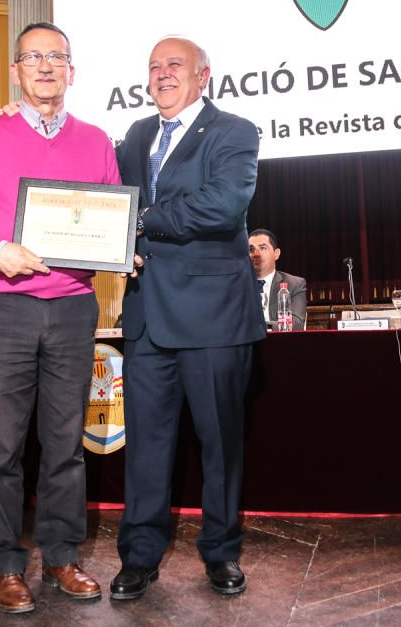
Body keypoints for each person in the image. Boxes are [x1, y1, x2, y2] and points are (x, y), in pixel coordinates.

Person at [0, 22, 120, 614]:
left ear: (72, 70)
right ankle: (8, 565)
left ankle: (62, 558)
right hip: (4, 308)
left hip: (71, 310)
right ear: (15, 70)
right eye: (32, 57)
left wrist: (124, 245)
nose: (45, 67)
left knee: (65, 446)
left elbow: (113, 216)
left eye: (56, 57)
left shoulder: (96, 140)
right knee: (3, 449)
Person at [109, 36, 265, 601]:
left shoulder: (234, 131)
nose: (162, 74)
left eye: (174, 65)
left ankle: (221, 553)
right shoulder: (134, 137)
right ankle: (139, 557)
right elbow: (108, 202)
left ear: (203, 76)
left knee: (221, 444)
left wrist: (143, 222)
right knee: (146, 447)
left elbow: (222, 205)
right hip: (147, 319)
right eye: (153, 67)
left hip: (215, 318)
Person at [249, 228, 307, 330]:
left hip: (279, 343)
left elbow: (297, 325)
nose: (256, 254)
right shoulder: (236, 285)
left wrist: (260, 327)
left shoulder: (294, 284)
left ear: (276, 254)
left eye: (263, 248)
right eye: (251, 249)